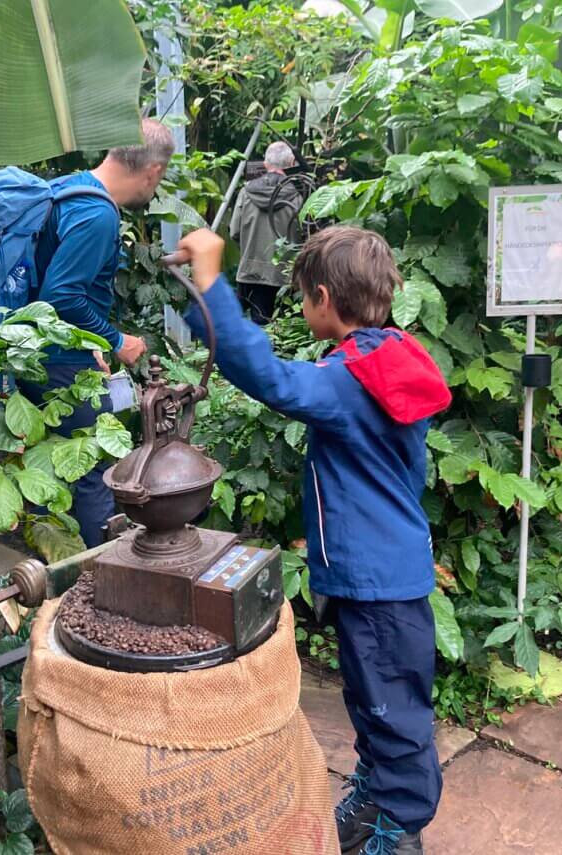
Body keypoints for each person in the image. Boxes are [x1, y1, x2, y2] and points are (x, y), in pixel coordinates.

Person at [173, 226, 451, 855]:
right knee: (375, 697)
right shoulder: (390, 356)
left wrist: (212, 282)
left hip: (378, 582)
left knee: (392, 709)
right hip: (387, 569)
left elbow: (271, 378)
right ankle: (379, 793)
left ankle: (398, 828)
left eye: (302, 296)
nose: (302, 306)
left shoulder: (351, 381)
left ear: (324, 298)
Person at [22, 118, 175, 548]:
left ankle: (50, 569)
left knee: (52, 469)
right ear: (153, 172)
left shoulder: (70, 188)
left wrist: (93, 343)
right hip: (59, 366)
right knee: (93, 472)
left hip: (39, 356)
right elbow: (61, 296)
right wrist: (115, 340)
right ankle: (94, 577)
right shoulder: (98, 215)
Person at [229, 140, 303, 324]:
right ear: (291, 164)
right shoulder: (298, 196)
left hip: (249, 272)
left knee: (245, 328)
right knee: (279, 331)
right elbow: (304, 236)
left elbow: (234, 232)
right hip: (283, 278)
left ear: (265, 164)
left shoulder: (246, 193)